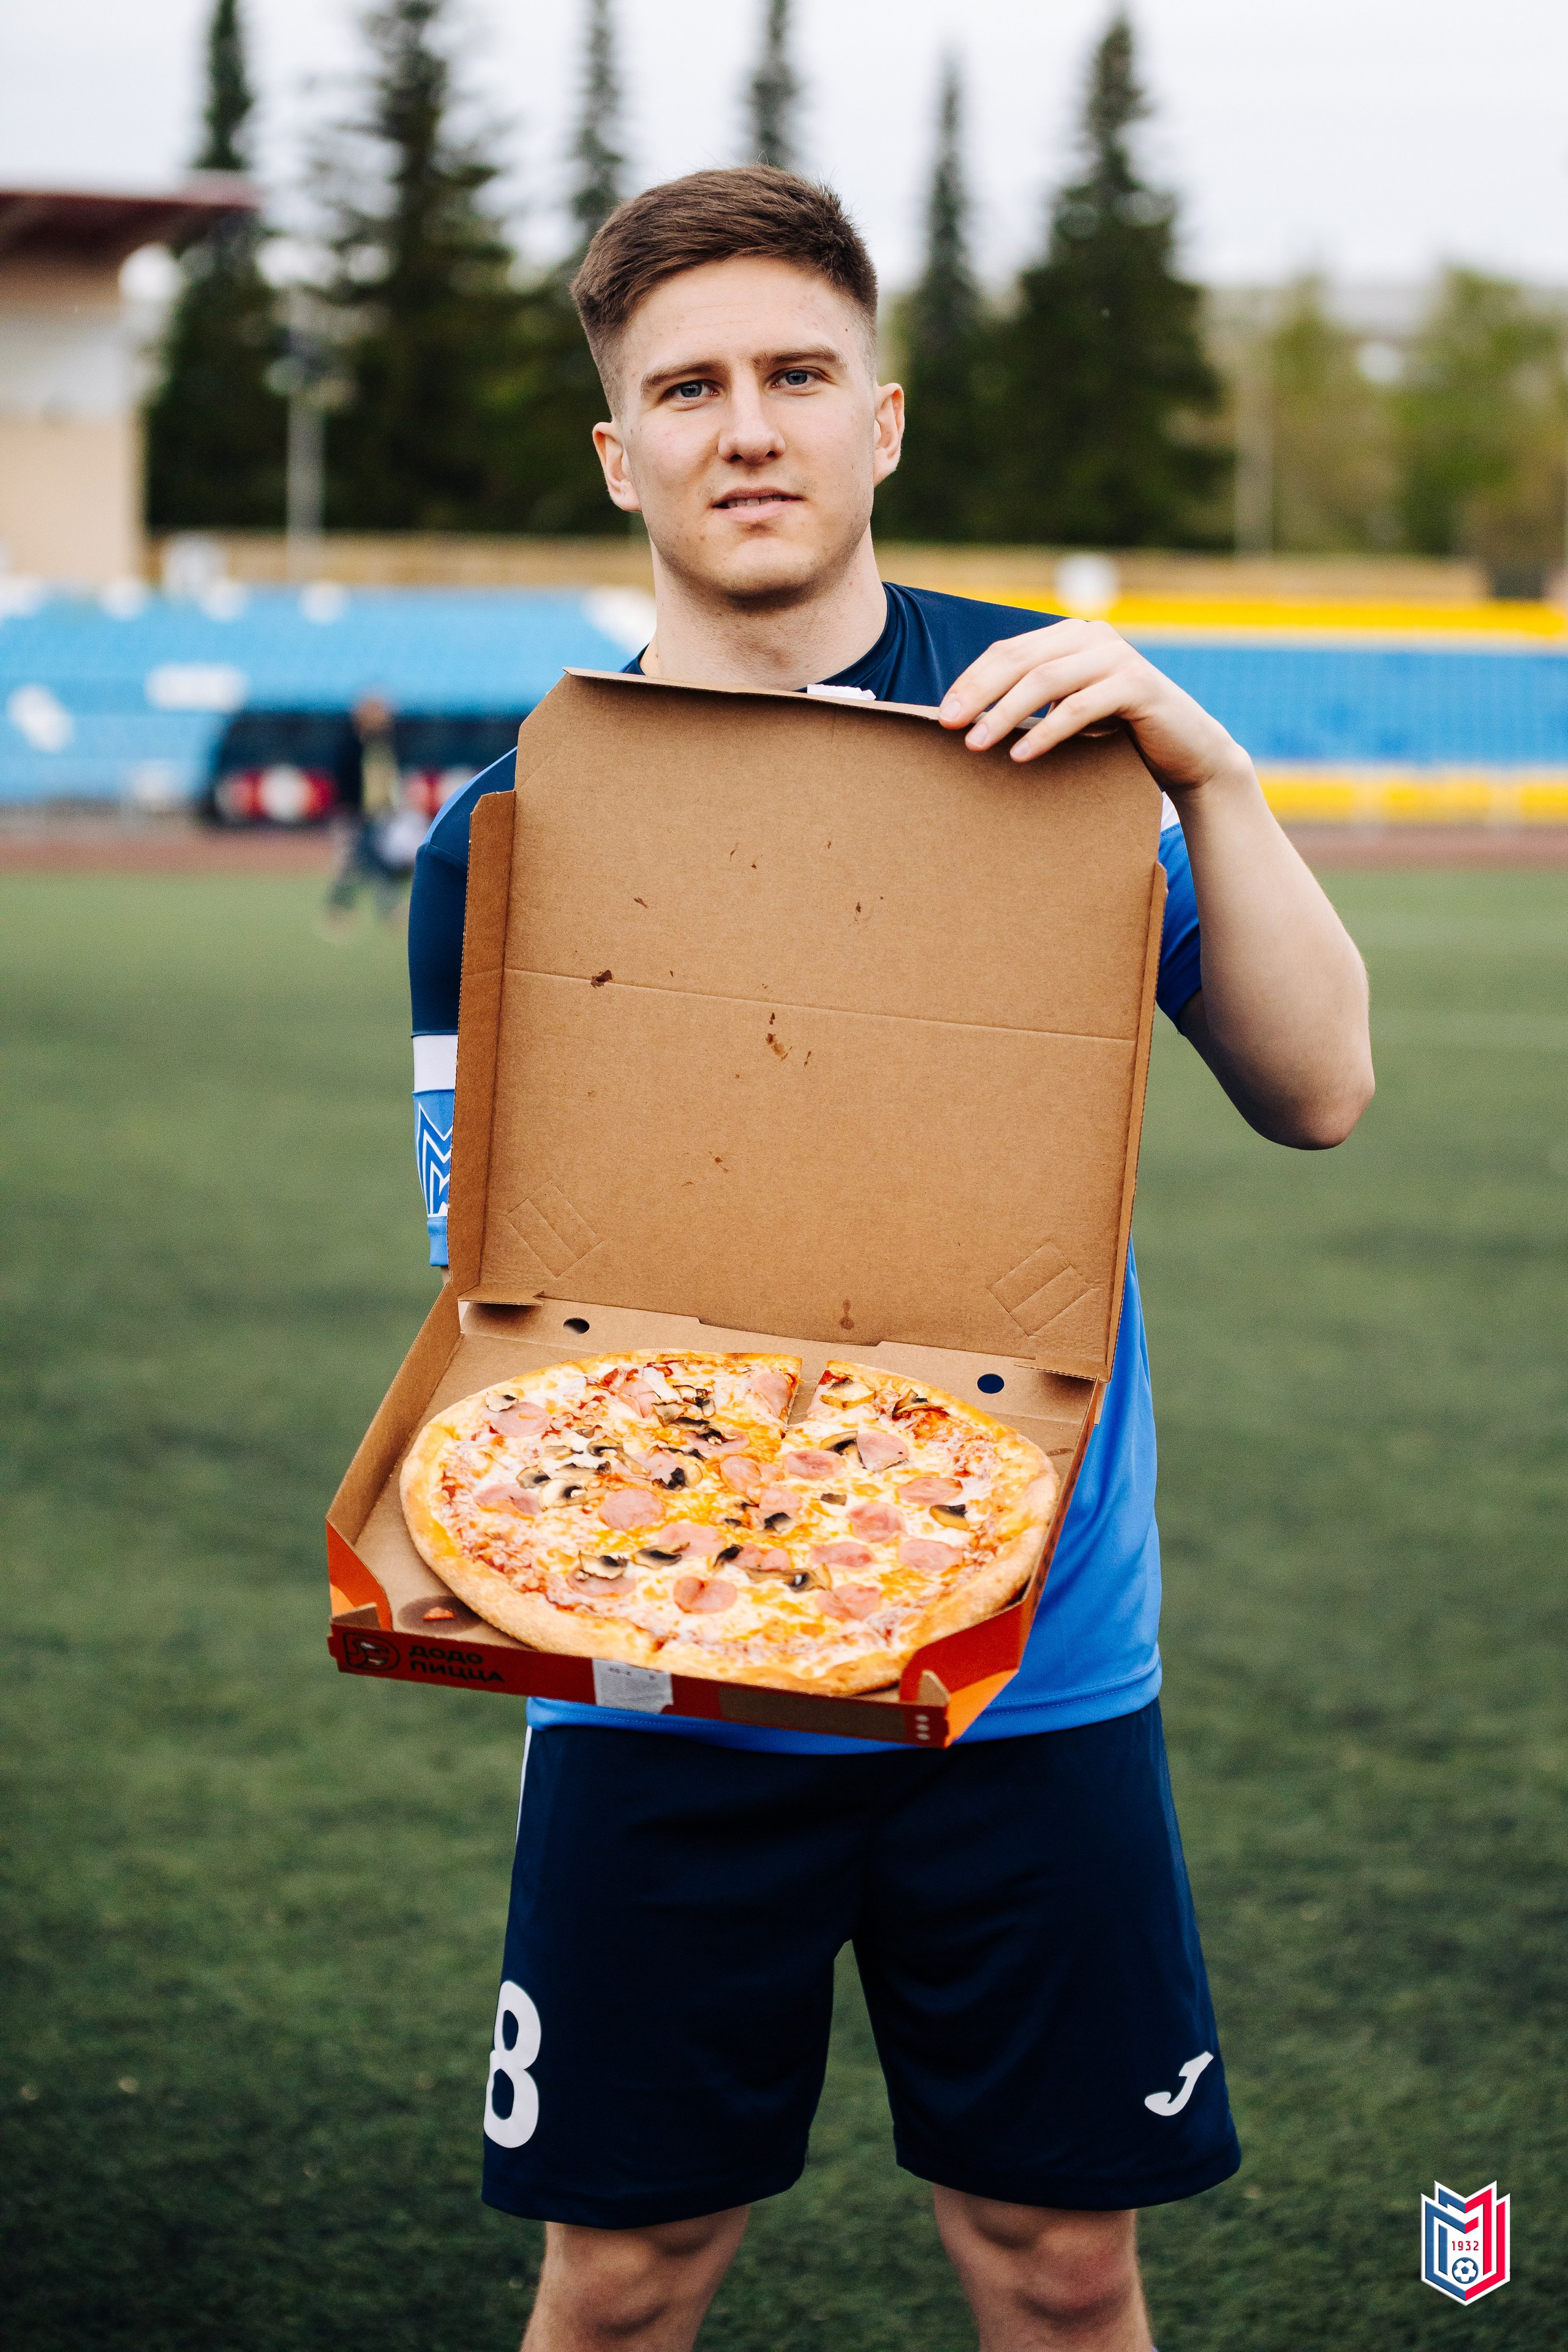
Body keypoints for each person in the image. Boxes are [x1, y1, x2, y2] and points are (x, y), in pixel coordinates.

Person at [406, 168, 1373, 2352]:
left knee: (1056, 2269)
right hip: (668, 1695)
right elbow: (503, 1296)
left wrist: (1201, 766)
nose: (743, 427)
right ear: (617, 450)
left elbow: (1316, 1088)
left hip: (1031, 1679)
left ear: (881, 422)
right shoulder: (511, 828)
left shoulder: (1056, 741)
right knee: (623, 2279)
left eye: (791, 375)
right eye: (687, 388)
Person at [320, 692, 421, 933]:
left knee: (369, 863)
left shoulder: (383, 744)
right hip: (353, 815)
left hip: (378, 816)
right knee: (356, 864)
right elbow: (346, 783)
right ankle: (343, 911)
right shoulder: (351, 744)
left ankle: (346, 911)